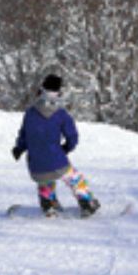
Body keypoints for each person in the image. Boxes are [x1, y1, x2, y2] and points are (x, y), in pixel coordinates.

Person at [12, 74, 100, 217]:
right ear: (58, 93)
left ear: (41, 90)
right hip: (57, 159)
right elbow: (72, 137)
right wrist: (66, 148)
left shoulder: (30, 113)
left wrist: (19, 148)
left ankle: (49, 205)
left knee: (45, 178)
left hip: (36, 164)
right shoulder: (61, 114)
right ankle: (87, 202)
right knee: (74, 178)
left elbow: (24, 135)